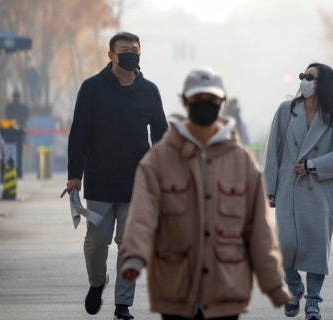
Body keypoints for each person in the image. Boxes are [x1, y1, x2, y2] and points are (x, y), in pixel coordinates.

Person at [119, 68, 289, 320]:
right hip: (175, 286)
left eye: (211, 101)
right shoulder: (160, 159)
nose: (205, 106)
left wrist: (273, 284)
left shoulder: (240, 161)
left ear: (221, 103)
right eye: (198, 100)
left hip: (227, 288)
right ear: (185, 101)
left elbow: (260, 229)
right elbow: (142, 215)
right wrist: (134, 258)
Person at [60, 31, 168, 320]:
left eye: (135, 49)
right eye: (124, 49)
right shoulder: (92, 88)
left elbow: (160, 132)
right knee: (97, 242)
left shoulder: (149, 91)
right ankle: (97, 282)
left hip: (138, 183)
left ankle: (123, 305)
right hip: (100, 180)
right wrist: (74, 176)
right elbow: (79, 133)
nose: (131, 53)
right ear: (111, 55)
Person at [263, 62, 333, 320]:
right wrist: (269, 189)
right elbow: (273, 150)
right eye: (303, 76)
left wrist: (314, 164)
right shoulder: (286, 110)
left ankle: (313, 301)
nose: (305, 80)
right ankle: (294, 289)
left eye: (311, 77)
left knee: (316, 248)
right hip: (287, 189)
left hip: (319, 191)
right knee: (285, 246)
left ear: (323, 83)